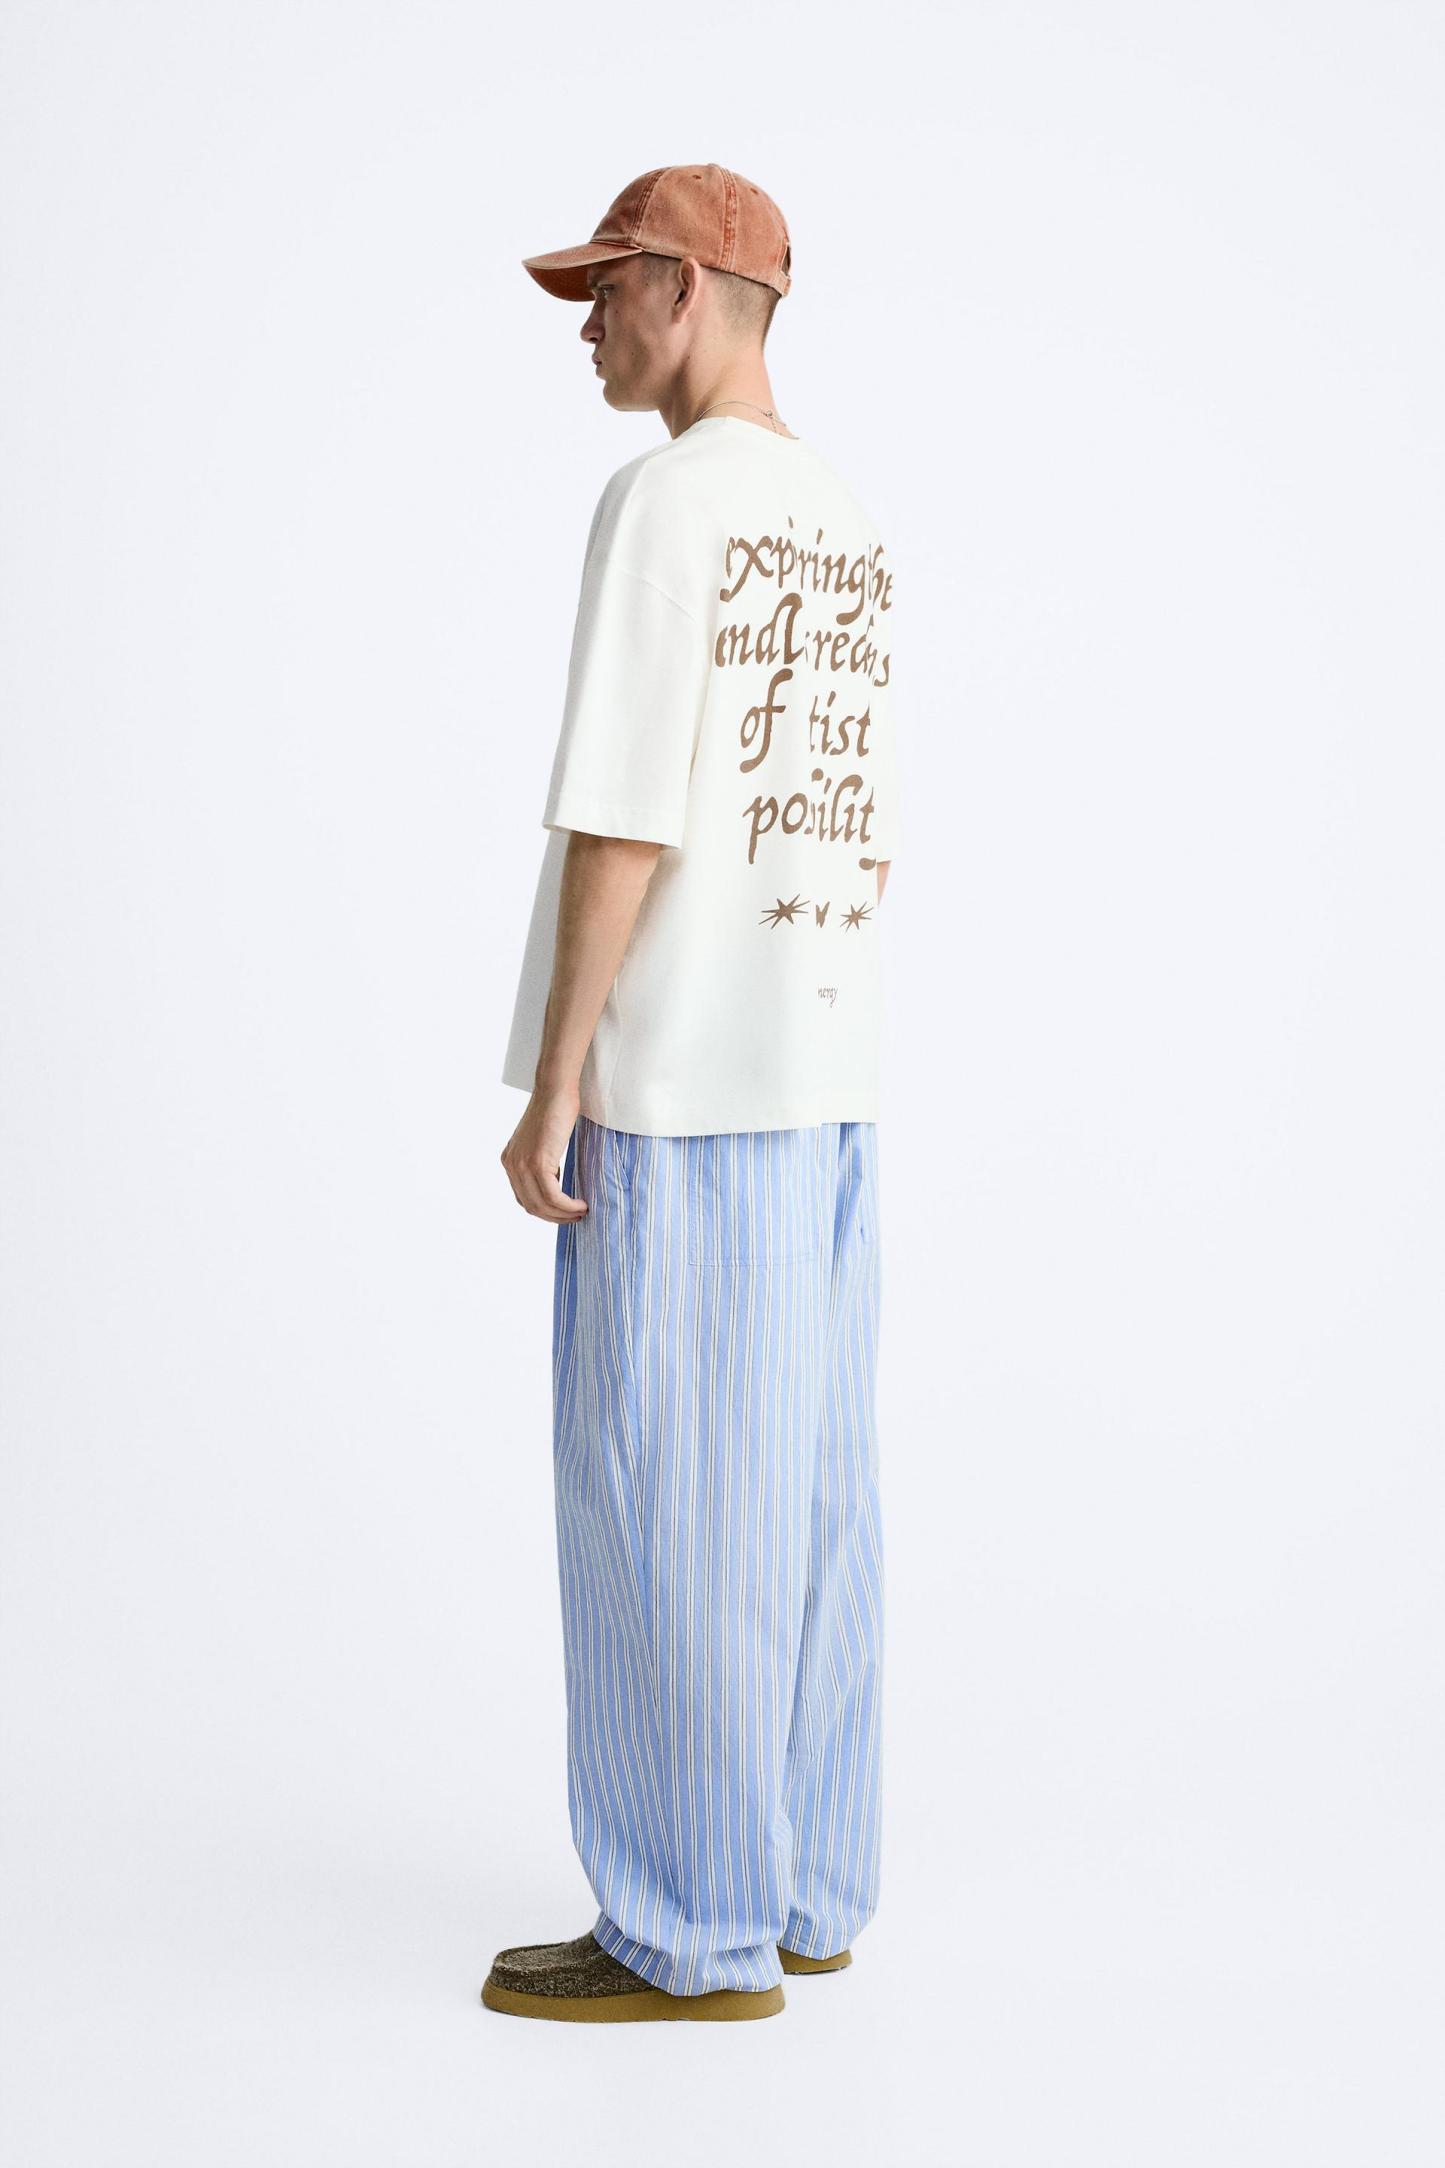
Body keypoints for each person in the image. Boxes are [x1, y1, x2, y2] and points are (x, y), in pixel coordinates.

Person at [483, 163, 902, 2025]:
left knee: (659, 1503)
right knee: (806, 1502)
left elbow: (625, 818)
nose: (587, 327)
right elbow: (858, 832)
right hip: (824, 1083)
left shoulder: (668, 502)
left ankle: (686, 1930)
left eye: (605, 291)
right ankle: (806, 1889)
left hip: (681, 1091)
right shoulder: (842, 522)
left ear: (683, 287)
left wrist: (556, 1075)